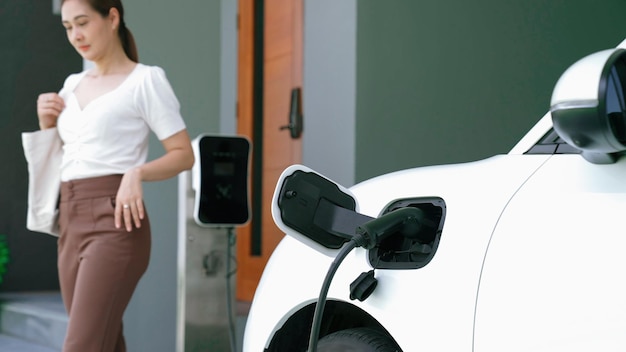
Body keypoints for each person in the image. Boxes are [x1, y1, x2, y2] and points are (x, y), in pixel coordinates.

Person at [35, 0, 194, 351]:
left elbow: (184, 154)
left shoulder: (146, 80)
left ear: (112, 17)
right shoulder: (72, 84)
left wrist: (136, 173)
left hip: (116, 223)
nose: (76, 35)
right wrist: (48, 125)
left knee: (82, 344)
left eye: (82, 23)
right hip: (70, 221)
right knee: (105, 340)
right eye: (67, 27)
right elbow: (67, 158)